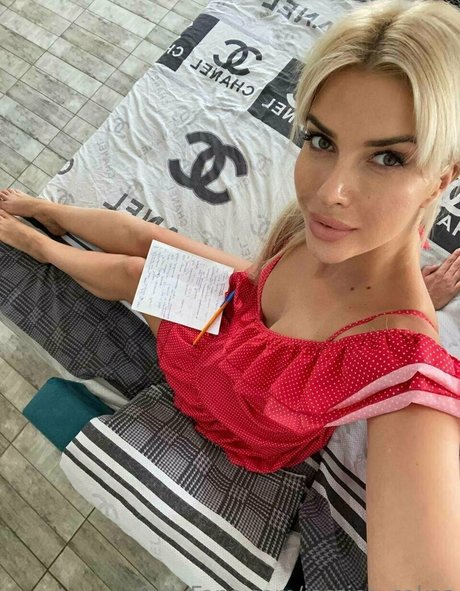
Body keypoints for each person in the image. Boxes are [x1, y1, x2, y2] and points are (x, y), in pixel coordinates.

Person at [0, 0, 460, 586]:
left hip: (228, 397)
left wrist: (419, 307)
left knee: (137, 273)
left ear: (444, 176)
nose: (330, 192)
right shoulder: (335, 228)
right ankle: (46, 211)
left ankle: (38, 246)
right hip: (240, 308)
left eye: (388, 157)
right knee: (149, 244)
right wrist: (423, 289)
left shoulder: (405, 362)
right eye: (321, 140)